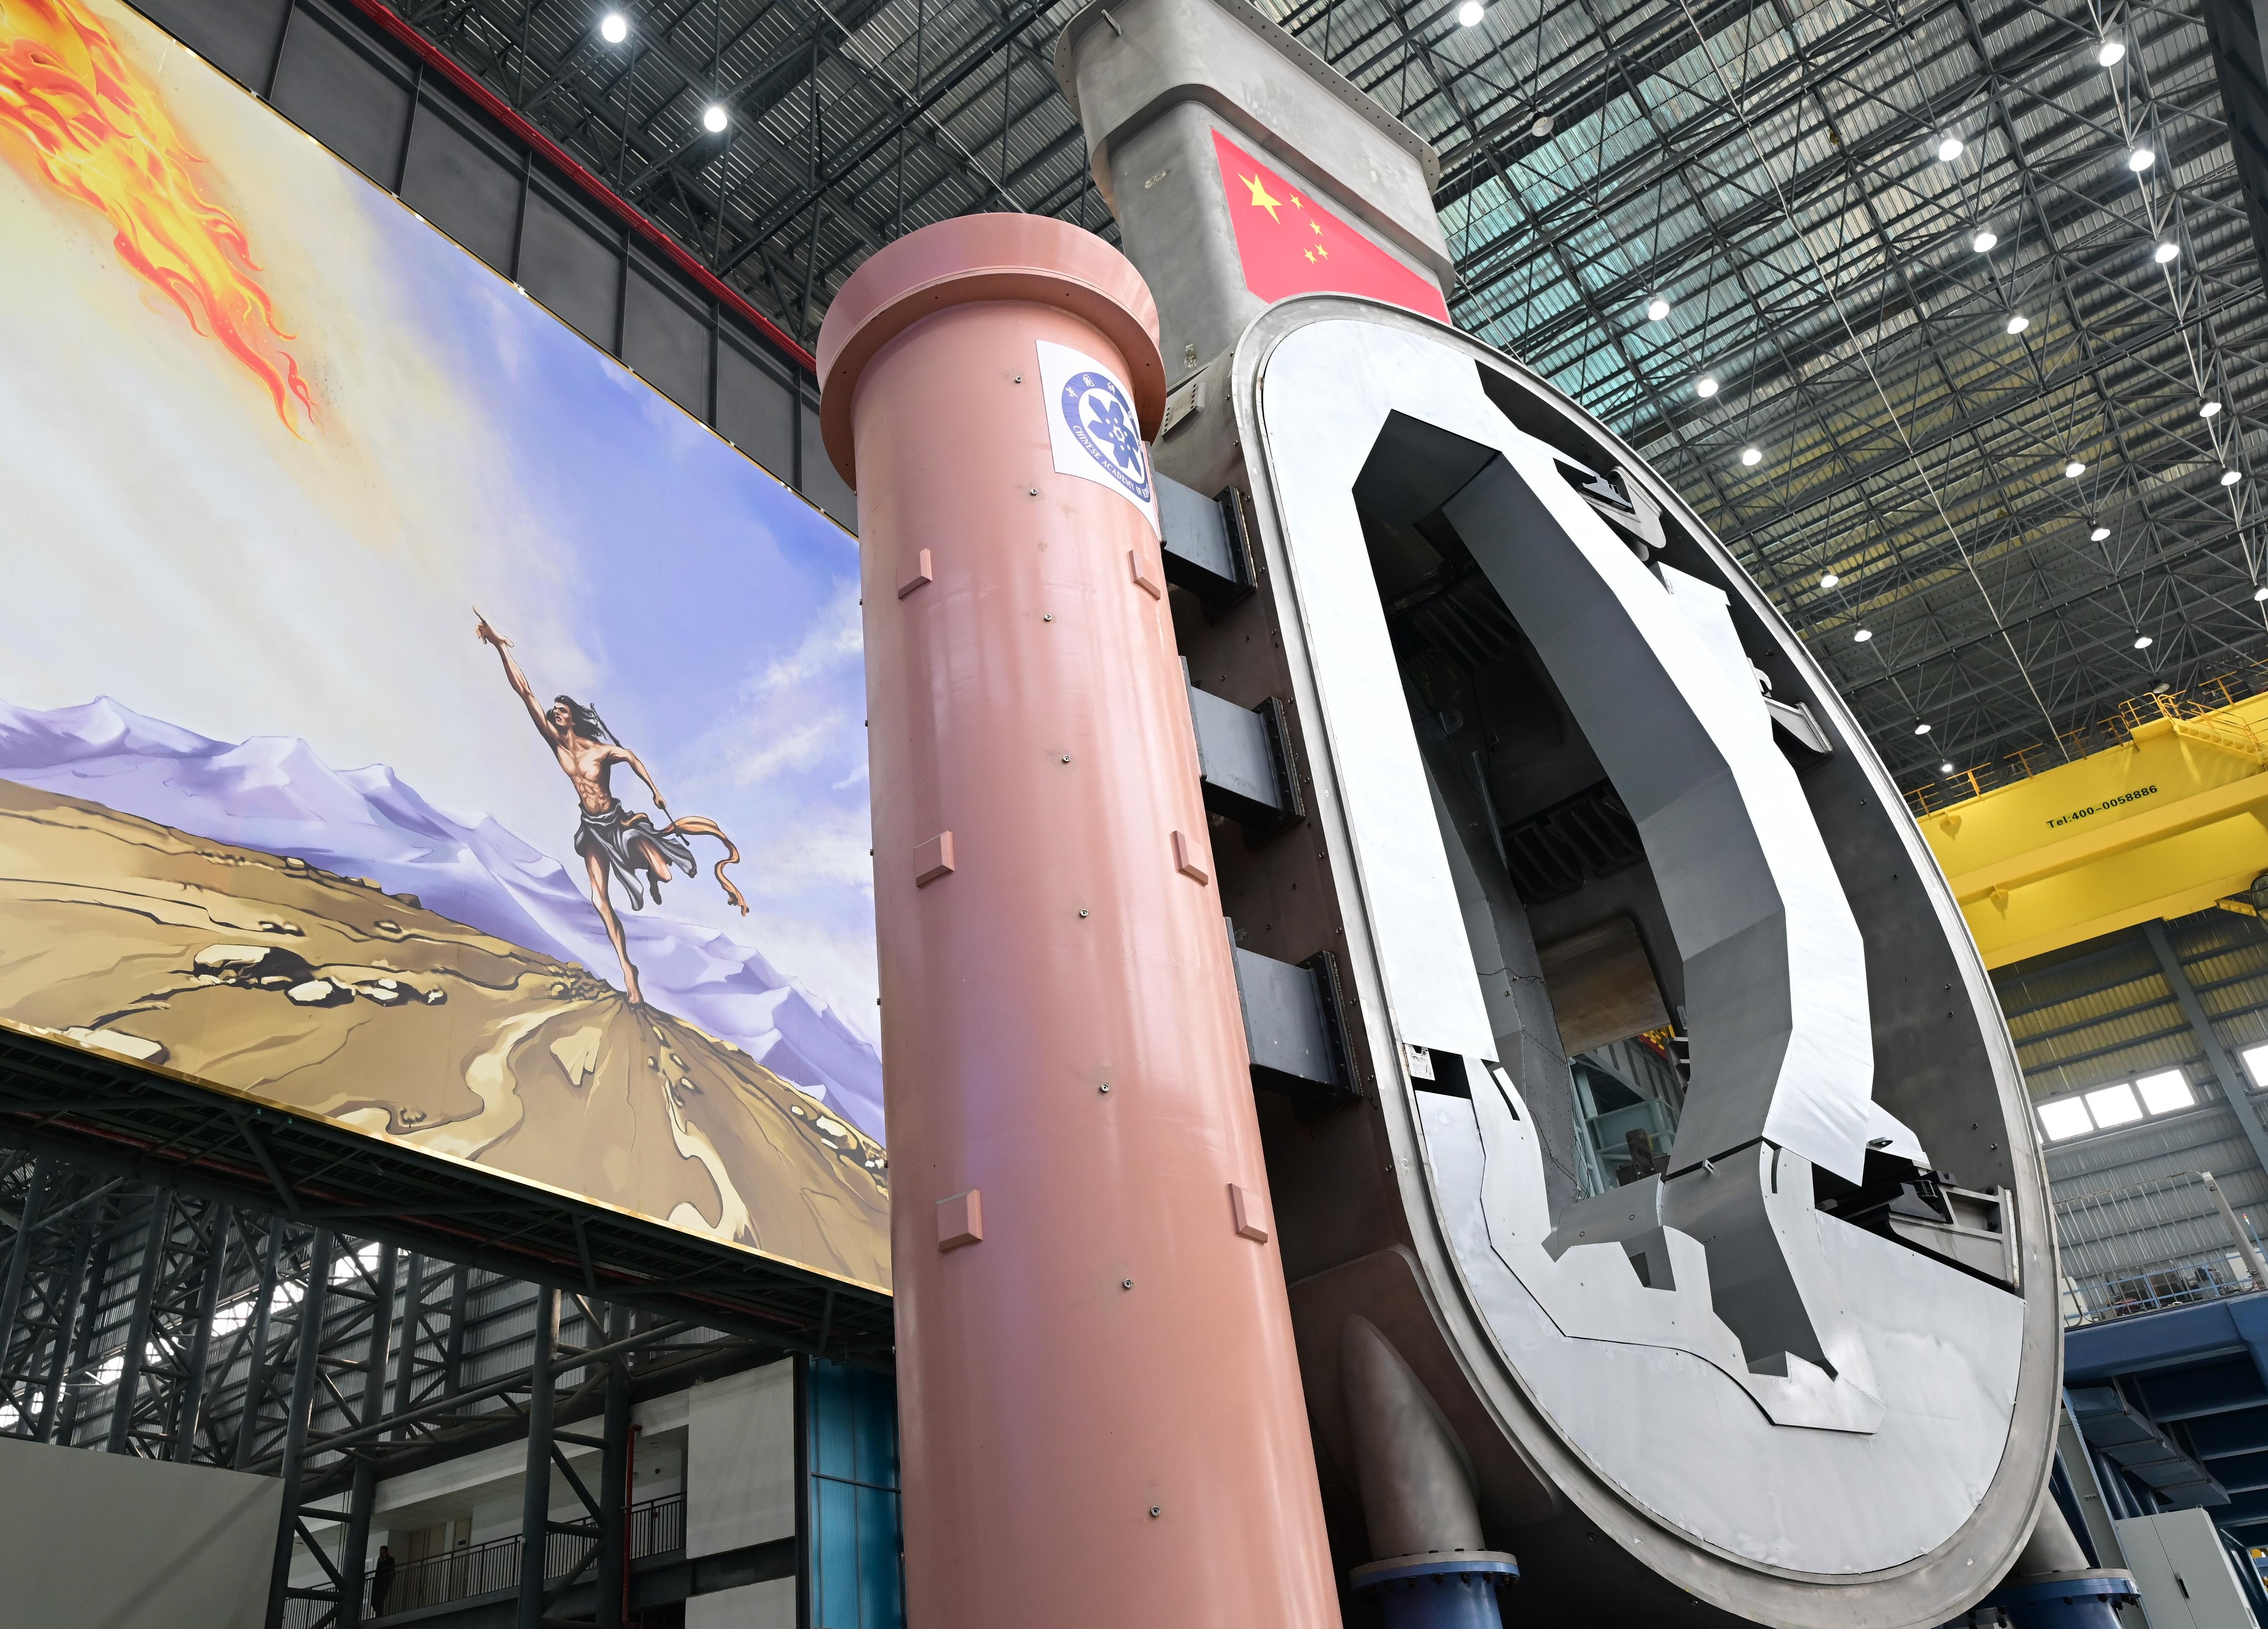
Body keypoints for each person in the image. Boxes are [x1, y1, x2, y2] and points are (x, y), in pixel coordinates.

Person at [474, 612, 747, 1005]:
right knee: (599, 900)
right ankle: (628, 972)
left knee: (665, 874)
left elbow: (630, 756)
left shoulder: (600, 751)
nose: (555, 713)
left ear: (573, 716)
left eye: (561, 710)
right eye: (554, 711)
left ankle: (649, 871)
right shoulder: (556, 744)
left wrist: (654, 790)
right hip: (592, 829)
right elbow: (525, 693)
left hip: (618, 822)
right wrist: (500, 646)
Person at [370, 1545, 396, 1618]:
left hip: (384, 1583)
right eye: (381, 1552)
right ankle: (379, 1615)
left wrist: (388, 1581)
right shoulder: (379, 1560)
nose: (381, 1554)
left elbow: (392, 1571)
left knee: (379, 1600)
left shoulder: (390, 1560)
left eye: (383, 1552)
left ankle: (379, 1616)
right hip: (377, 1583)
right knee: (373, 1602)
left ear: (387, 1553)